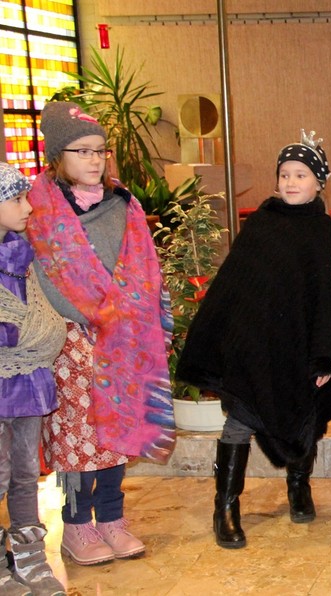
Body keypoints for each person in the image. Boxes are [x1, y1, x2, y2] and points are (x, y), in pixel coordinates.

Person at [176, 130, 331, 549]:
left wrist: (324, 355)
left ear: (319, 182)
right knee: (240, 420)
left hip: (300, 347)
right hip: (256, 347)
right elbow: (236, 286)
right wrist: (229, 341)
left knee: (306, 417)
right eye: (284, 174)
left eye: (300, 175)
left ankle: (299, 487)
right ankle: (225, 507)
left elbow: (328, 298)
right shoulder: (261, 225)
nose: (290, 182)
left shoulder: (325, 232)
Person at [26, 101, 176, 566]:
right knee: (78, 436)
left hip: (125, 337)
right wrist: (86, 317)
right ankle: (77, 526)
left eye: (100, 151)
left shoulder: (122, 204)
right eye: (83, 151)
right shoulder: (39, 208)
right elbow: (43, 276)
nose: (95, 160)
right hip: (70, 337)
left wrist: (133, 317)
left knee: (118, 430)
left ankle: (112, 518)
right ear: (58, 155)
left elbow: (143, 267)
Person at [0, 163, 67, 595]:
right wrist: (19, 332)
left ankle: (30, 557)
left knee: (26, 473)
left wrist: (26, 332)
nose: (27, 207)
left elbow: (41, 318)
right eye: (16, 199)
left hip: (27, 380)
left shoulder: (23, 256)